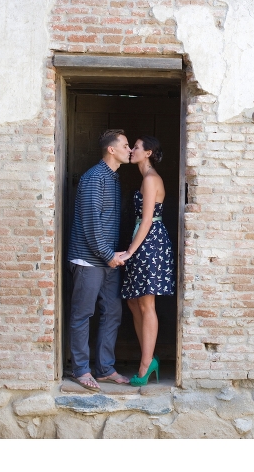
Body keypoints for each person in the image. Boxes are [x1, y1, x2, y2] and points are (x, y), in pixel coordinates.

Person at [66, 129, 132, 391]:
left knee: (113, 313)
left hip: (107, 261)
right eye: (126, 146)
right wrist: (108, 255)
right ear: (112, 150)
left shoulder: (112, 178)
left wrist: (112, 257)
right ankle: (81, 370)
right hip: (88, 260)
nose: (130, 150)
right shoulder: (95, 178)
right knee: (83, 314)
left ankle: (105, 368)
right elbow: (92, 224)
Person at [117, 136, 176, 386]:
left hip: (151, 244)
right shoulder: (145, 178)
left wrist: (130, 251)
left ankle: (145, 364)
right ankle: (149, 356)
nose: (131, 150)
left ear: (148, 152)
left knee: (146, 305)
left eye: (136, 147)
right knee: (133, 301)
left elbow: (148, 220)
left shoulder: (151, 179)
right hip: (142, 241)